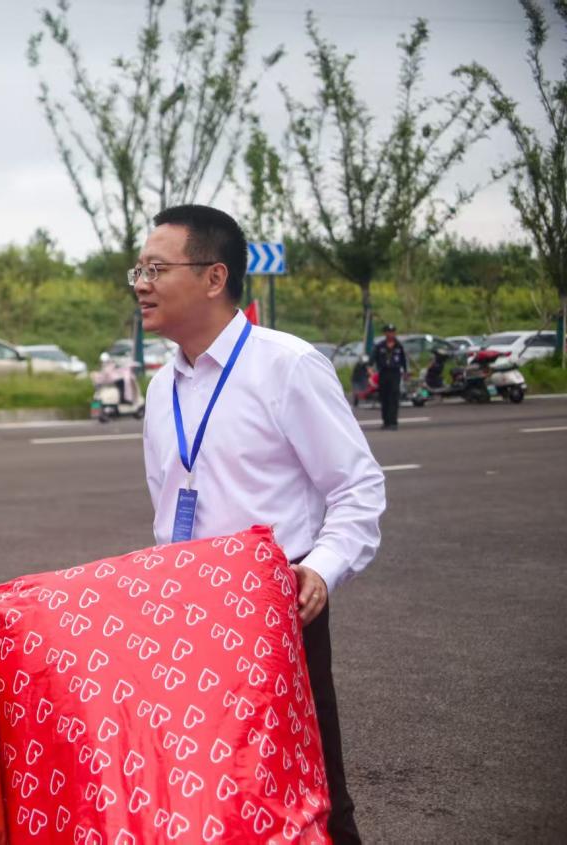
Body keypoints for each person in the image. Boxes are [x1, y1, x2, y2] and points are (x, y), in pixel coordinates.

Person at [135, 204, 385, 844]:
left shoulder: (287, 365)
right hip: (186, 621)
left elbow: (357, 488)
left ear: (214, 277)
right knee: (209, 799)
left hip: (275, 615)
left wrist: (319, 572)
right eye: (138, 270)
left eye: (157, 269)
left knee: (311, 795)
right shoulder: (161, 388)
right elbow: (166, 507)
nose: (141, 284)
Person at [370, 323, 407, 430]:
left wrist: (405, 372)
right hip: (383, 373)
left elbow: (403, 360)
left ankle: (393, 422)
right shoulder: (380, 346)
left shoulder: (399, 346)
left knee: (394, 397)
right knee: (384, 397)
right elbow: (372, 359)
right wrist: (369, 368)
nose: (391, 334)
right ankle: (386, 422)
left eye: (392, 332)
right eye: (389, 332)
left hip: (395, 373)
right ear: (385, 333)